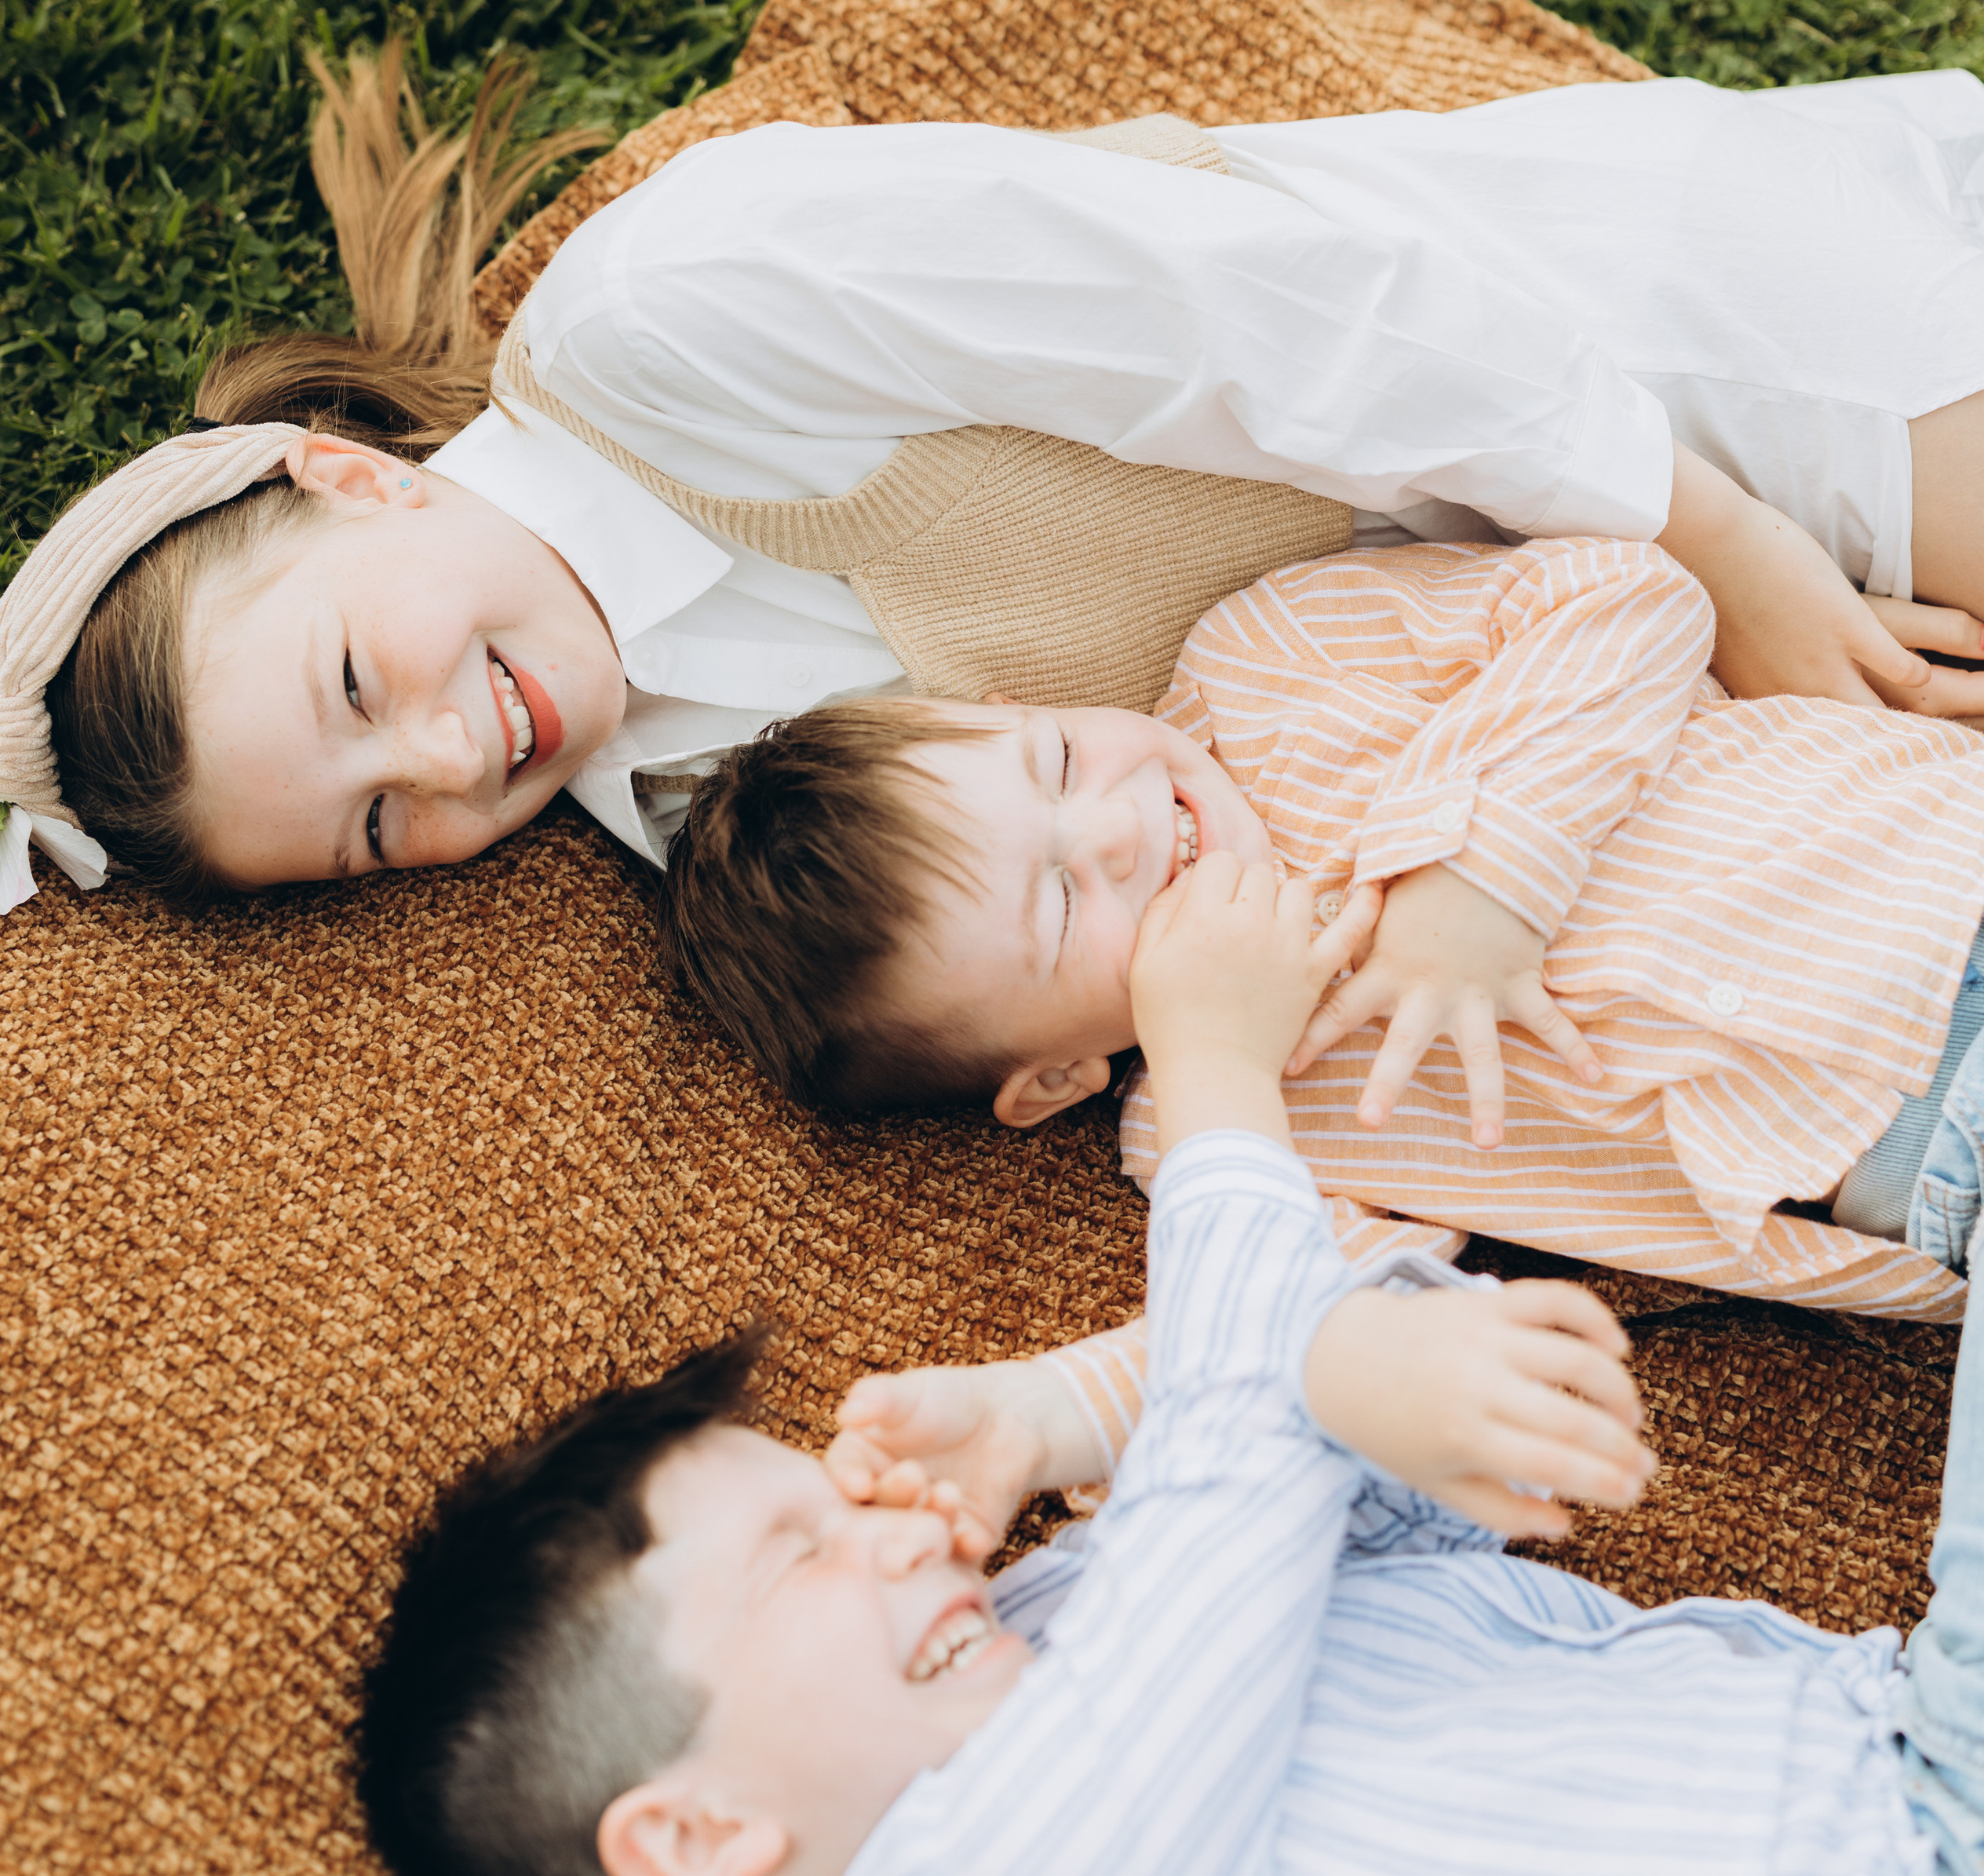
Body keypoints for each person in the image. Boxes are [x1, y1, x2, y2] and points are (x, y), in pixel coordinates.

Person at [356, 851, 1984, 1876]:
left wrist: (1056, 1429)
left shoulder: (1059, 1632)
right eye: (797, 1557)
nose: (883, 1534)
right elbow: (1236, 1460)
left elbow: (1403, 1465)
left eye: (835, 1500)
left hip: (1911, 1738)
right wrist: (1212, 1080)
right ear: (702, 1839)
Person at [0, 47, 1984, 937]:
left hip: (1673, 374)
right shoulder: (701, 810)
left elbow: (1261, 306)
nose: (441, 760)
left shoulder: (671, 317)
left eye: (354, 687)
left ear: (355, 484)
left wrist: (1708, 540)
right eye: (369, 831)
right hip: (1605, 670)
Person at [659, 533, 1984, 1320]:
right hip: (1926, 1182)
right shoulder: (1203, 1126)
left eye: (1057, 761)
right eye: (1061, 905)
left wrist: (1481, 893)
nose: (1114, 829)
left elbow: (1629, 596)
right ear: (1056, 1076)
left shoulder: (1272, 657)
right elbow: (1361, 1321)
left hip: (1940, 877)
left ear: (1020, 700)